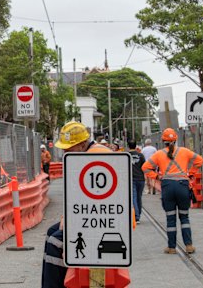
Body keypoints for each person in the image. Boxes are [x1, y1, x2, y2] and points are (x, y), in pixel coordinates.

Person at [41, 121, 112, 288]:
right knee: (52, 231)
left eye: (68, 148)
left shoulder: (92, 157)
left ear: (82, 145)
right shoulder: (86, 155)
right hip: (95, 215)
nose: (65, 152)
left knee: (55, 242)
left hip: (104, 220)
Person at [142, 128, 203, 254]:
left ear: (163, 141)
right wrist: (190, 173)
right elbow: (199, 160)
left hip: (168, 187)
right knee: (184, 217)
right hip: (182, 186)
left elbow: (145, 168)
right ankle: (189, 246)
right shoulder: (184, 151)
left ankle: (171, 247)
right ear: (176, 140)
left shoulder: (159, 154)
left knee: (170, 218)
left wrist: (157, 176)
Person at [128, 140, 146, 224]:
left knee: (134, 197)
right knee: (139, 197)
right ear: (135, 146)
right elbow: (145, 167)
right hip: (141, 179)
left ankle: (136, 216)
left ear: (128, 146)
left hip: (131, 179)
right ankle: (139, 214)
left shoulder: (126, 156)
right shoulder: (141, 155)